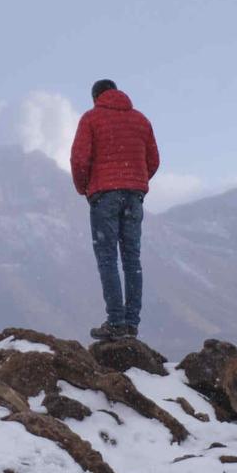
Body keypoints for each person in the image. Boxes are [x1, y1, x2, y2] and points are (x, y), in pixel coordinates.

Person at [69, 78, 159, 339]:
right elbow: (153, 159)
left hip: (104, 196)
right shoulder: (141, 120)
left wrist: (84, 187)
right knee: (132, 258)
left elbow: (79, 158)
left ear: (96, 97)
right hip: (134, 197)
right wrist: (136, 181)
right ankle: (131, 323)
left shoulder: (91, 118)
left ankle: (116, 322)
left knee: (108, 258)